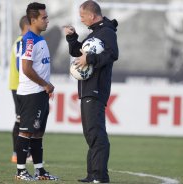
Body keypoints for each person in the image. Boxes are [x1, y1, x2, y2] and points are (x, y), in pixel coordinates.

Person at [64, 0, 119, 183]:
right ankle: (92, 174)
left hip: (96, 89)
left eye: (82, 16)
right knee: (91, 133)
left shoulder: (107, 32)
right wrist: (72, 38)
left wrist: (91, 58)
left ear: (92, 15)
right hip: (88, 89)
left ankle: (100, 176)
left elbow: (112, 54)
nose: (81, 20)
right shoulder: (95, 33)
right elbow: (79, 54)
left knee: (96, 133)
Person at [14, 2, 58, 181]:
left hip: (39, 92)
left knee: (38, 133)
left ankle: (40, 171)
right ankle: (21, 171)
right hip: (31, 93)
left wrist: (45, 86)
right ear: (33, 20)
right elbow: (26, 68)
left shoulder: (39, 38)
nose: (47, 21)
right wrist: (45, 84)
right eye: (44, 18)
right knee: (25, 132)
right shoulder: (30, 39)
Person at [9, 15, 32, 163]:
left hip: (19, 85)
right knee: (22, 121)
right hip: (20, 87)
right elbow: (20, 65)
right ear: (28, 26)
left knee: (22, 120)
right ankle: (18, 154)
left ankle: (19, 153)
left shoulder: (22, 41)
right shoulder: (21, 42)